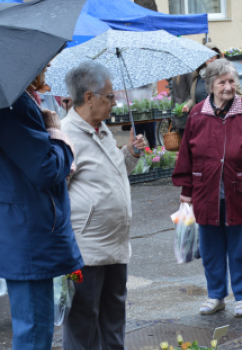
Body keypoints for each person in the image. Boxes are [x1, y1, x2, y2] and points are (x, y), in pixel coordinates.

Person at [172, 59, 242, 317]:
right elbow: (186, 155)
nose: (228, 87)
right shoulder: (197, 113)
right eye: (222, 82)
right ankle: (216, 295)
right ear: (210, 86)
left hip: (241, 191)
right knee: (211, 249)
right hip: (205, 193)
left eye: (232, 81)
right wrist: (186, 190)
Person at [61, 61, 146, 350]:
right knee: (83, 326)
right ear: (88, 98)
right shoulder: (65, 136)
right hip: (86, 251)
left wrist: (130, 154)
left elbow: (113, 171)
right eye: (109, 96)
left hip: (115, 246)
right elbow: (57, 194)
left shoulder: (103, 130)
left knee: (113, 324)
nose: (114, 102)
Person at [0, 62, 83, 349]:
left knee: (31, 325)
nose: (47, 64)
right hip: (29, 232)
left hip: (20, 228)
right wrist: (57, 134)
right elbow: (46, 169)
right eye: (43, 61)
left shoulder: (12, 100)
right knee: (35, 329)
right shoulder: (15, 105)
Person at [182, 42, 242, 114]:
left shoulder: (227, 74)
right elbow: (194, 99)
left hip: (222, 117)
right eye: (208, 54)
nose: (211, 57)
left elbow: (239, 96)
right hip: (202, 118)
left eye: (213, 54)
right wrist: (188, 105)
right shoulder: (197, 76)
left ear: (217, 57)